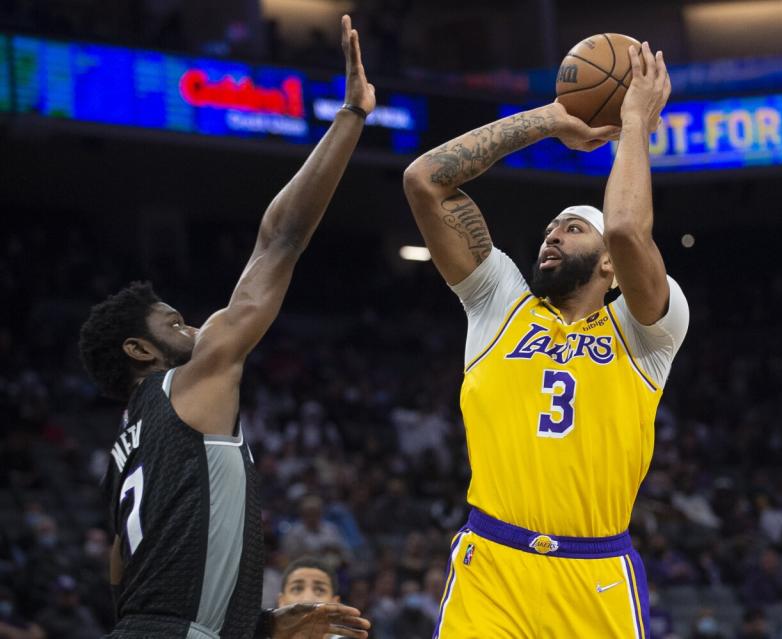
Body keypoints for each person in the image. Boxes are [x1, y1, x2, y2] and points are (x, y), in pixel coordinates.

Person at [77, 15, 374, 639]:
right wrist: (349, 116)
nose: (188, 323)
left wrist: (257, 626)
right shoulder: (187, 381)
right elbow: (280, 241)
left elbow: (122, 568)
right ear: (139, 348)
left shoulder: (122, 449)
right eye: (171, 320)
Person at [403, 41, 686, 637]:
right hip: (493, 564)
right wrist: (548, 121)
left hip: (595, 575)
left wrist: (633, 122)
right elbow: (424, 180)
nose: (551, 236)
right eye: (550, 228)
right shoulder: (500, 302)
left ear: (608, 263)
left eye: (574, 228)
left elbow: (631, 229)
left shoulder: (647, 332)